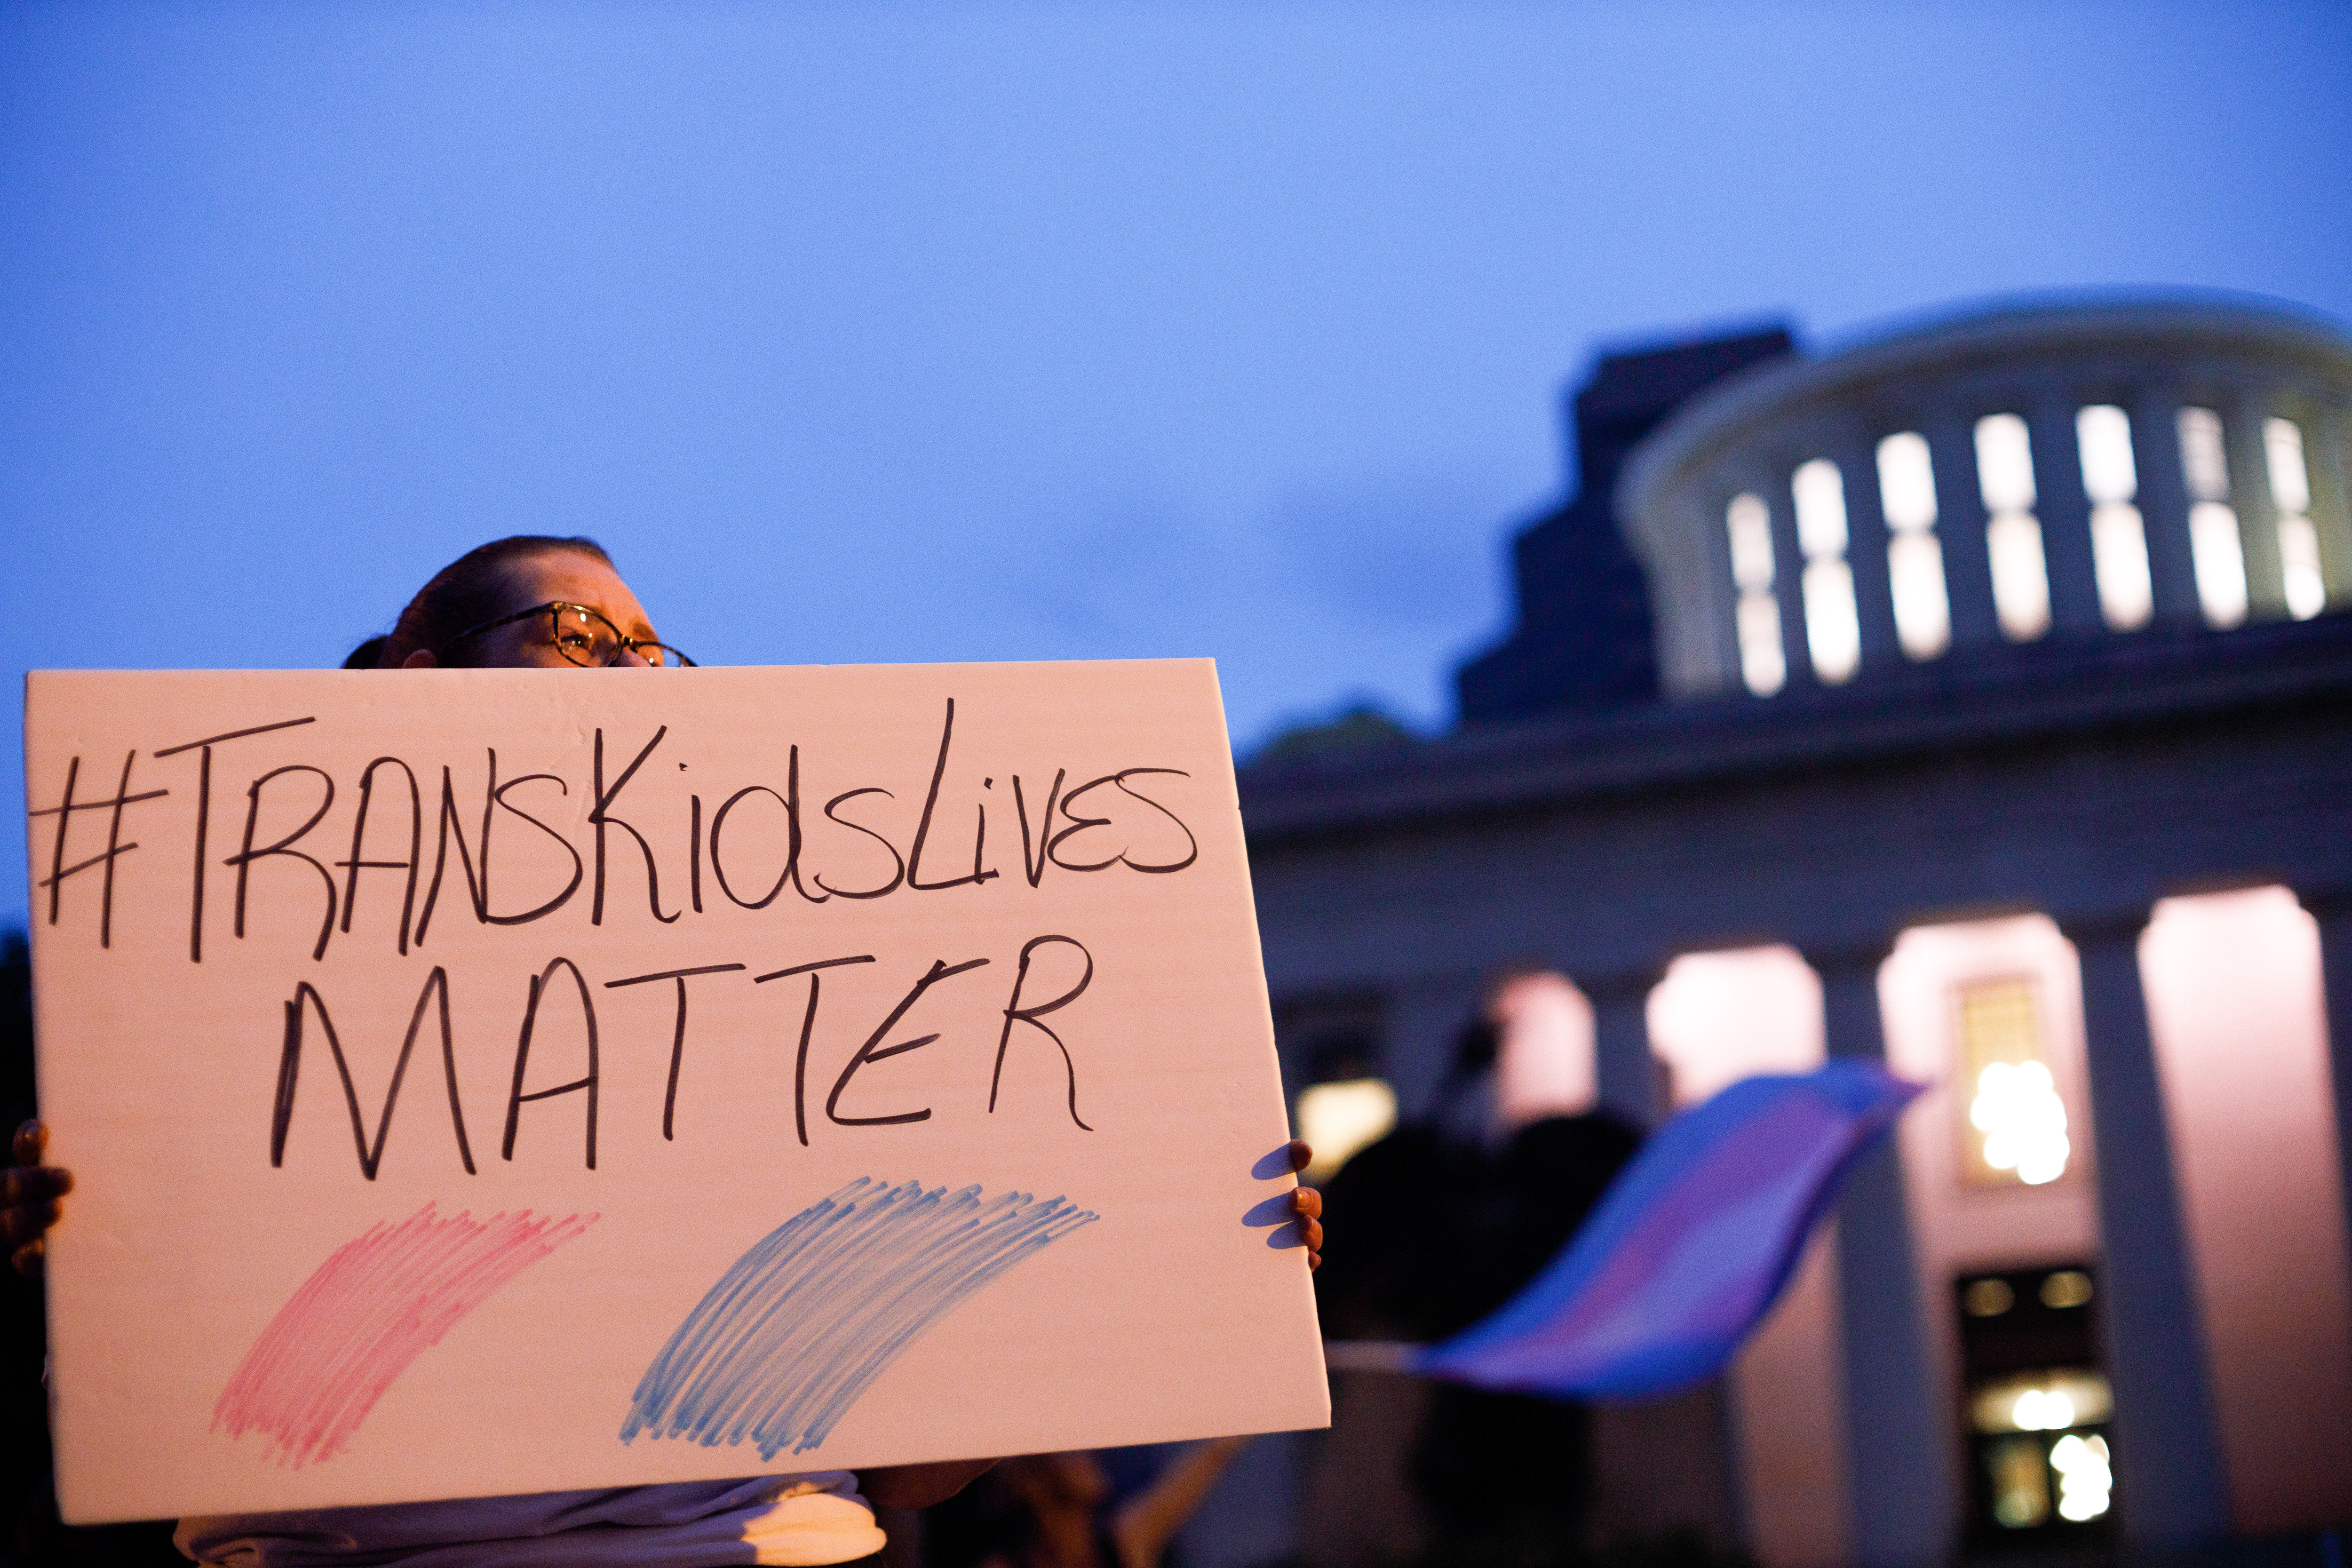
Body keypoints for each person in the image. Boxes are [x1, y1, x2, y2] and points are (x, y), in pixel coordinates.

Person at [2, 535, 1324, 1566]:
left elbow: (906, 1469)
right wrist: (94, 1260)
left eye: (658, 650)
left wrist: (1181, 1263)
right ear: (418, 678)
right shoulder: (227, 963)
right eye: (581, 635)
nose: (639, 670)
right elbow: (153, 1408)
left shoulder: (807, 977)